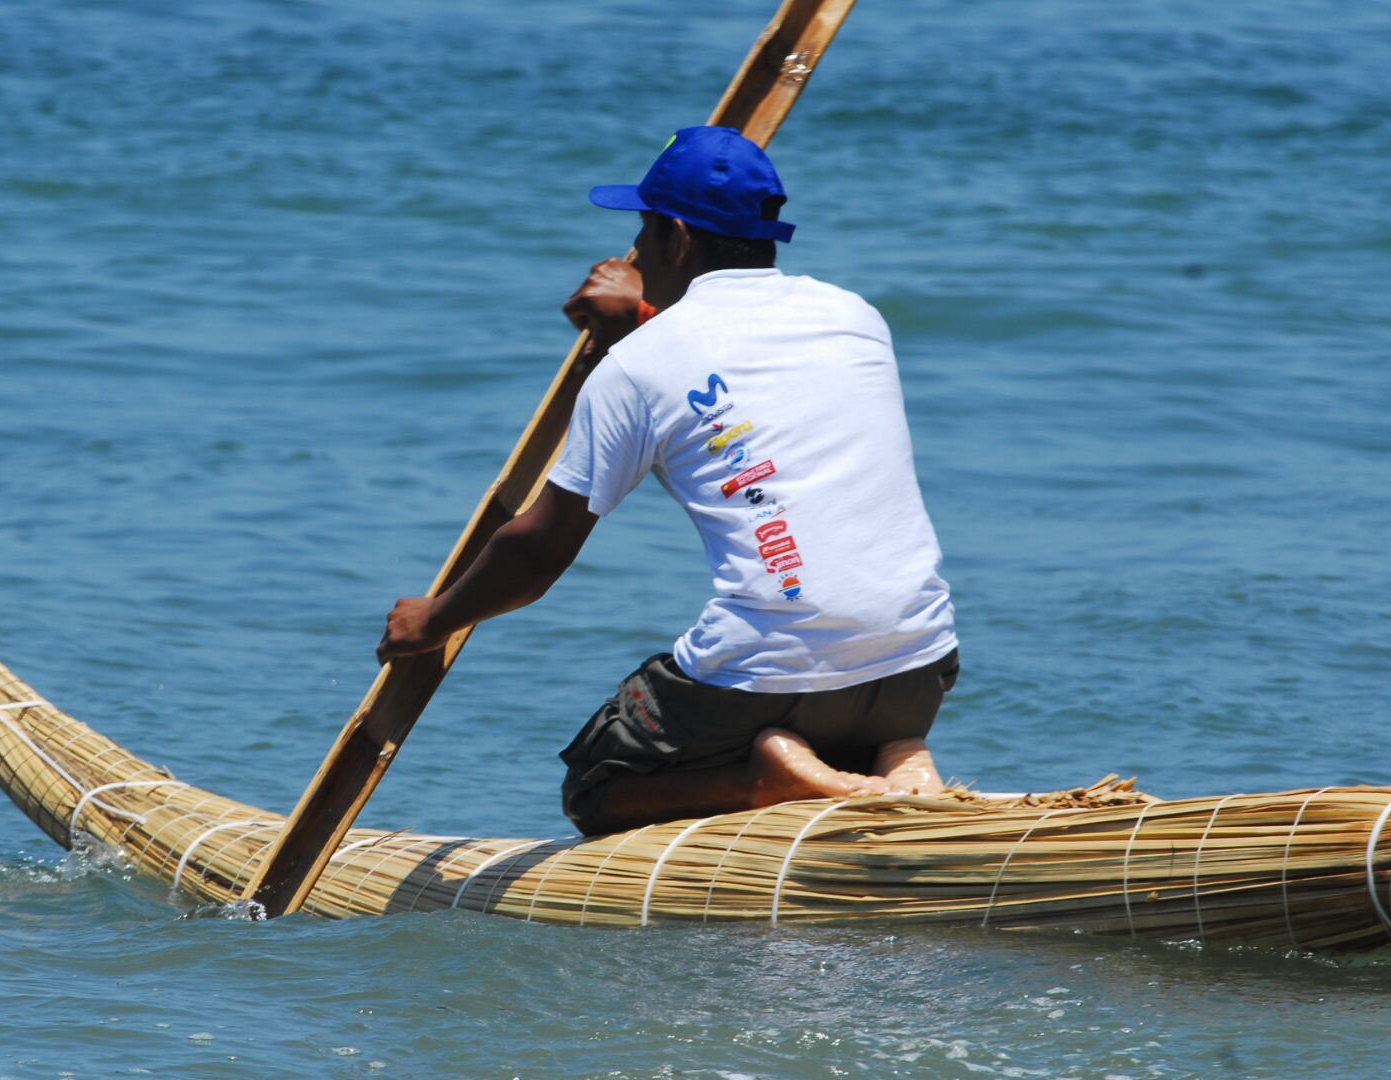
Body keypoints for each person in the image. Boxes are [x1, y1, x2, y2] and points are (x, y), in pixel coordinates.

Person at [377, 126, 960, 835]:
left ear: (676, 238)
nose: (634, 253)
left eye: (642, 235)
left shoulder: (635, 368)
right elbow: (738, 378)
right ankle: (894, 756)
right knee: (822, 682)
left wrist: (434, 619)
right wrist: (646, 319)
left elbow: (538, 552)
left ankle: (765, 781)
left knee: (597, 786)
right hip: (918, 669)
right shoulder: (855, 317)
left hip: (775, 682)